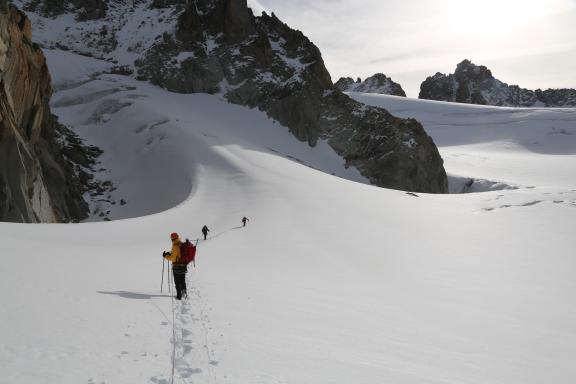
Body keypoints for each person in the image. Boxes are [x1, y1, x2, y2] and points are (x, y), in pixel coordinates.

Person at [163, 232, 187, 300]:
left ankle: (179, 296)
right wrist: (170, 253)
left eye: (171, 238)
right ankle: (184, 292)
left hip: (176, 266)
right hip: (183, 265)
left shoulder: (175, 245)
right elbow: (177, 254)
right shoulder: (180, 243)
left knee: (177, 281)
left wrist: (166, 256)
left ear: (173, 238)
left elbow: (173, 258)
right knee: (182, 280)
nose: (171, 239)